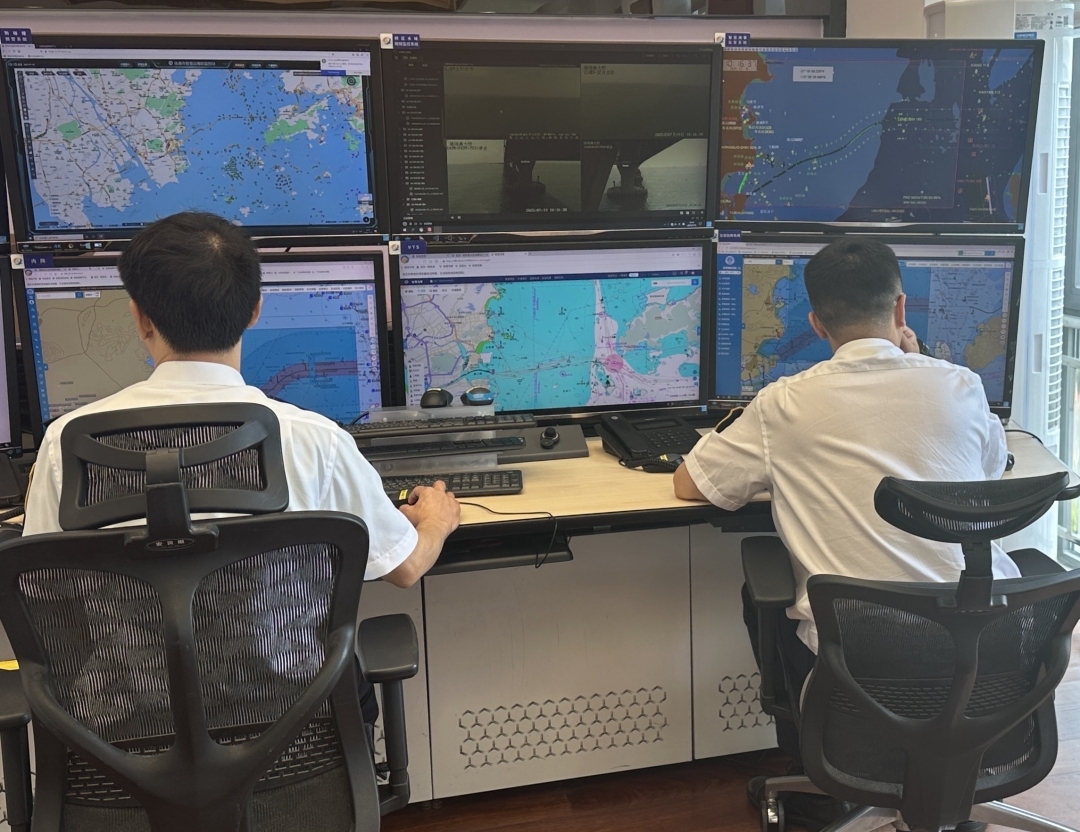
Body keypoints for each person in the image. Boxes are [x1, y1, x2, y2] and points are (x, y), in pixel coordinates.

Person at [21, 211, 461, 727]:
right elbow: (405, 568)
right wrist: (435, 520)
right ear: (254, 311)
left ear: (140, 318)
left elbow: (41, 593)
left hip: (128, 732)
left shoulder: (66, 445)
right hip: (298, 730)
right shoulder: (315, 440)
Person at [673, 238, 1009, 832]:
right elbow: (988, 470)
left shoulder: (783, 403)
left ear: (816, 323)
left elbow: (691, 484)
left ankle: (821, 778)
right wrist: (919, 362)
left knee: (764, 588)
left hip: (861, 667)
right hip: (991, 659)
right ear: (900, 308)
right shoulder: (960, 384)